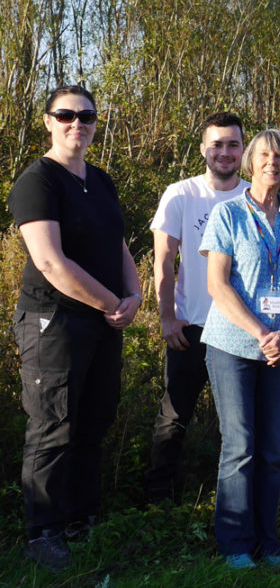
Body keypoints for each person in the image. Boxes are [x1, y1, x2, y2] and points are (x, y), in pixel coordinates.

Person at [8, 84, 142, 571]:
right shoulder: (37, 181)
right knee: (52, 426)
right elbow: (49, 261)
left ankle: (82, 520)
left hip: (104, 321)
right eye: (65, 115)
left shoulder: (100, 180)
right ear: (47, 121)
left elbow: (119, 245)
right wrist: (113, 303)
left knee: (93, 422)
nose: (77, 124)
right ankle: (43, 531)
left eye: (86, 117)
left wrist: (135, 294)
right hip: (54, 322)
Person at [199, 129, 280, 570]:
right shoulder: (228, 215)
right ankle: (234, 545)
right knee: (240, 446)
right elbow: (217, 285)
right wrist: (260, 333)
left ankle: (269, 543)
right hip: (232, 346)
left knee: (272, 449)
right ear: (250, 163)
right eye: (264, 155)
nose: (273, 163)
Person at [144, 112, 248, 503]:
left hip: (240, 329)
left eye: (233, 144)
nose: (224, 152)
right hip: (192, 327)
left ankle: (234, 501)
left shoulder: (254, 195)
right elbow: (163, 260)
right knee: (173, 419)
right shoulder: (181, 194)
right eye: (217, 144)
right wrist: (168, 317)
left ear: (243, 149)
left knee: (238, 425)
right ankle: (157, 501)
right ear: (204, 148)